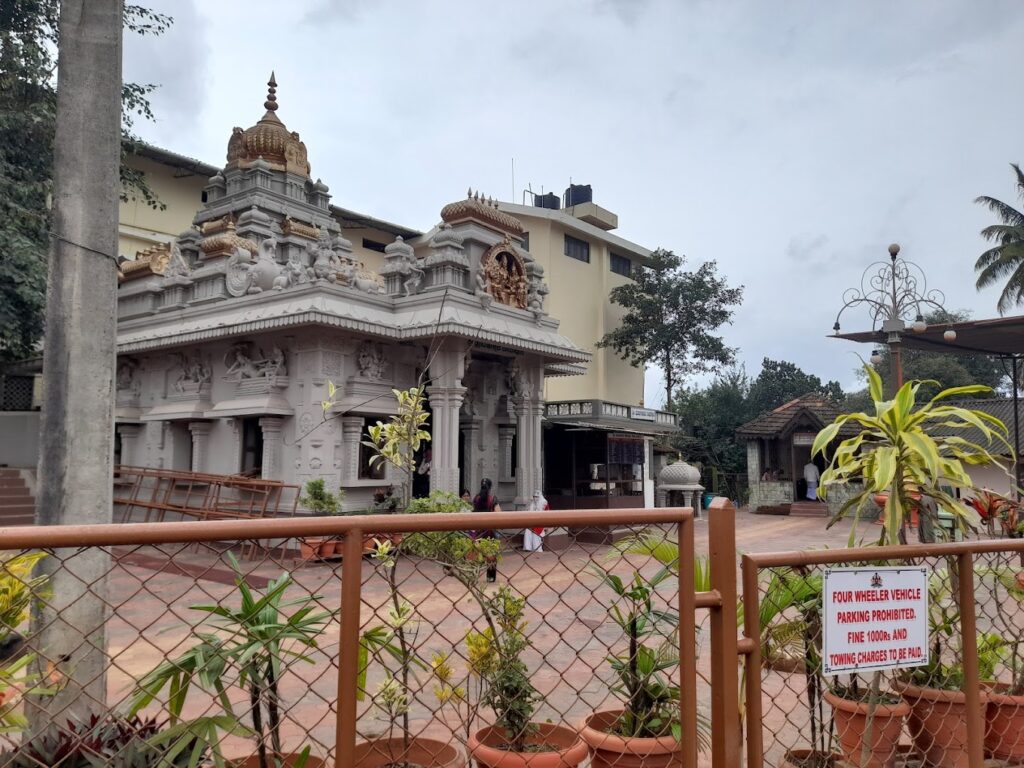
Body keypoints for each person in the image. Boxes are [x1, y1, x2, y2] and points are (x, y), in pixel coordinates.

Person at [472, 479, 501, 582]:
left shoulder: (476, 498)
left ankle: (474, 575)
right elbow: (498, 513)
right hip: (490, 531)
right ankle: (490, 577)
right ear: (490, 487)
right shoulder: (493, 499)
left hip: (478, 530)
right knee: (491, 554)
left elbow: (473, 512)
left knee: (476, 553)